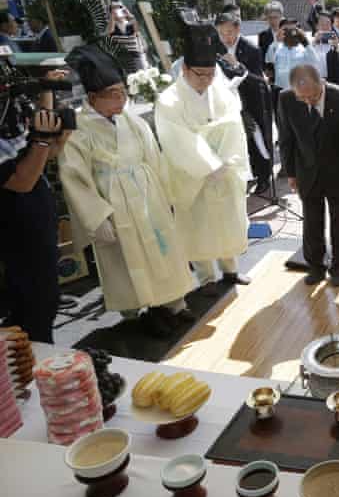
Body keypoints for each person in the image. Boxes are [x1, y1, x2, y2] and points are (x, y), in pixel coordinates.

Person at [59, 45, 195, 334]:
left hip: (147, 195)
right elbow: (75, 178)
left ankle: (173, 303)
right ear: (94, 98)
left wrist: (166, 194)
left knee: (162, 249)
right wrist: (97, 217)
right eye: (114, 94)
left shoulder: (130, 120)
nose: (122, 99)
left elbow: (153, 155)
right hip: (115, 204)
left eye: (123, 92)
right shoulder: (79, 131)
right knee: (128, 262)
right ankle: (142, 313)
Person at [155, 23, 252, 295]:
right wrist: (208, 164)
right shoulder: (168, 101)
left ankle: (231, 269)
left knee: (227, 220)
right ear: (184, 69)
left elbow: (234, 123)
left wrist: (226, 160)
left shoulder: (218, 89)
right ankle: (207, 277)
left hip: (224, 168)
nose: (207, 80)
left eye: (211, 74)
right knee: (198, 226)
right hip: (193, 175)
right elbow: (177, 139)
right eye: (200, 75)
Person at [1, 72, 70, 343]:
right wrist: (42, 140)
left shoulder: (11, 112)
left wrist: (56, 138)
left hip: (36, 214)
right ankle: (30, 365)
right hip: (14, 222)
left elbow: (39, 157)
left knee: (45, 298)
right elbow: (21, 180)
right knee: (32, 303)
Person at [278, 63, 339, 286]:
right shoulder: (286, 99)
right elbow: (286, 139)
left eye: (313, 96)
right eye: (302, 98)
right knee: (312, 222)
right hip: (307, 171)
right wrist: (291, 173)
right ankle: (315, 266)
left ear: (321, 82)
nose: (308, 102)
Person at [216, 12, 272, 195]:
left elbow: (257, 79)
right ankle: (252, 175)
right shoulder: (217, 48)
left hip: (254, 101)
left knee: (258, 140)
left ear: (238, 29)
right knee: (241, 141)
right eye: (221, 33)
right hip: (229, 103)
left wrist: (237, 66)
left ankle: (264, 177)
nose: (226, 38)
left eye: (229, 33)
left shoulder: (251, 48)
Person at [267, 21, 319, 91]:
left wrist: (305, 41)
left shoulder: (304, 48)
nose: (290, 33)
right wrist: (276, 41)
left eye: (293, 30)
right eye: (286, 30)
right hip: (281, 88)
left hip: (299, 88)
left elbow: (314, 61)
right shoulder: (277, 47)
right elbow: (269, 59)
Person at [311, 12, 339, 87]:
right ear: (317, 26)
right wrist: (314, 42)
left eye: (328, 24)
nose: (325, 27)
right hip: (317, 80)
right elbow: (306, 60)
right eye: (322, 24)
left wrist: (337, 47)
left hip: (334, 80)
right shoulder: (310, 43)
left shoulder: (335, 42)